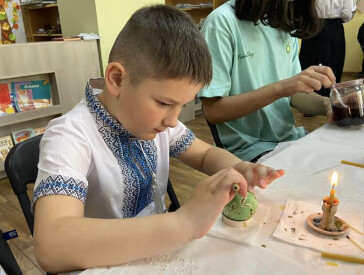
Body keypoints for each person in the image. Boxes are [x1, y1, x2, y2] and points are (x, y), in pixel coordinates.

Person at [32, 5, 284, 274]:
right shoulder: (68, 137)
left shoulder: (154, 122)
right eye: (164, 102)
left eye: (182, 106)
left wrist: (238, 168)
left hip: (157, 254)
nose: (173, 120)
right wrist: (183, 223)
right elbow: (52, 245)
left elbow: (205, 155)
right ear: (117, 79)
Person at [198, 0, 336, 163]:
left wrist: (329, 104)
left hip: (289, 140)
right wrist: (281, 87)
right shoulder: (221, 22)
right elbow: (213, 111)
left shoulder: (283, 22)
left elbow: (294, 94)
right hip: (245, 152)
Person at [299, 0, 356, 97]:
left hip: (311, 25)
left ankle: (307, 101)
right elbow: (348, 12)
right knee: (333, 63)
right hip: (334, 26)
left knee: (309, 62)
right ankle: (330, 100)